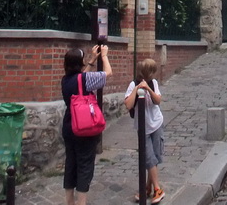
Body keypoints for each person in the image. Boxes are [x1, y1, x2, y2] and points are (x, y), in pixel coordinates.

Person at [61, 44, 112, 205]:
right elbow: (108, 73)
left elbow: (81, 79)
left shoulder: (66, 80)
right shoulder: (84, 79)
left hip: (69, 126)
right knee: (84, 165)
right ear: (79, 63)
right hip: (84, 127)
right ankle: (81, 202)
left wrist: (91, 60)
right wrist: (103, 56)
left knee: (71, 163)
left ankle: (69, 201)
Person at [123, 59, 165, 204]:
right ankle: (157, 189)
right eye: (152, 71)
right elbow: (128, 105)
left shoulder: (153, 83)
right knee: (149, 158)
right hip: (143, 128)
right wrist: (137, 89)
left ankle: (146, 187)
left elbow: (158, 100)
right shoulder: (132, 84)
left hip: (157, 123)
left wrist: (148, 89)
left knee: (155, 157)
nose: (154, 73)